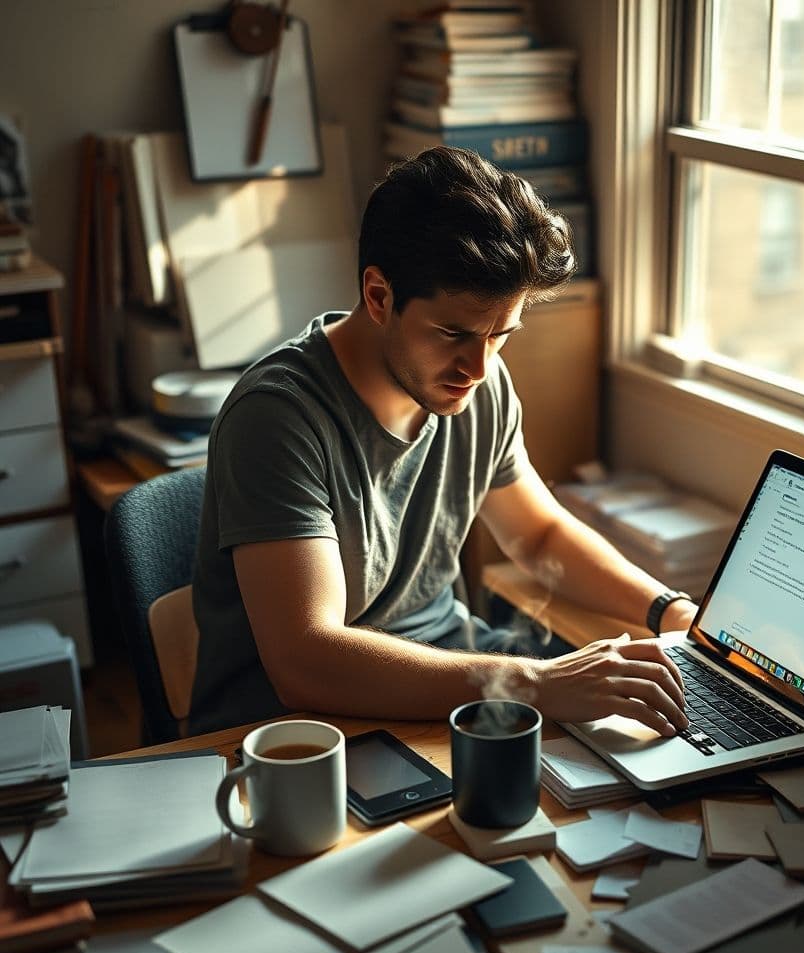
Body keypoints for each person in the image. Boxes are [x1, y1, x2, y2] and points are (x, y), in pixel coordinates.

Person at [190, 146, 697, 736]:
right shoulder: (276, 417)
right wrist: (534, 683)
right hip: (300, 734)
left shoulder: (478, 384)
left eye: (500, 335)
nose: (477, 368)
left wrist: (670, 611)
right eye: (453, 333)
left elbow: (538, 535)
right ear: (379, 296)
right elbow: (307, 660)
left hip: (450, 693)